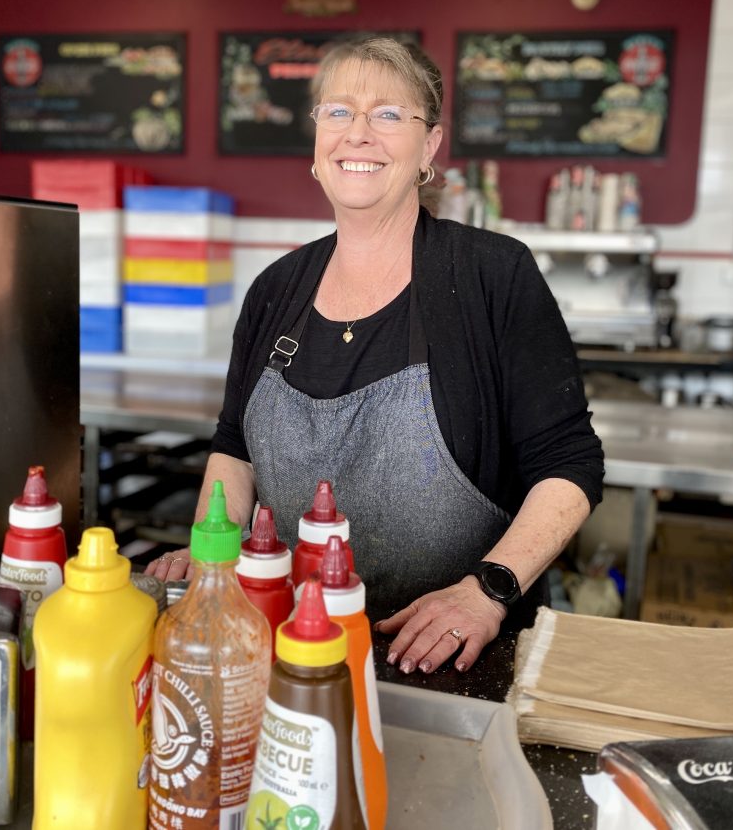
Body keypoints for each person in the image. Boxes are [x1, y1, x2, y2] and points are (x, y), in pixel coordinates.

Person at [147, 37, 603, 675]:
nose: (357, 135)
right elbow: (235, 448)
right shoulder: (276, 289)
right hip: (293, 646)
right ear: (316, 143)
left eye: (389, 115)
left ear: (429, 147)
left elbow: (568, 464)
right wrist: (211, 558)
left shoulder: (492, 274)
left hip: (457, 658)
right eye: (338, 113)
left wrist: (488, 593)